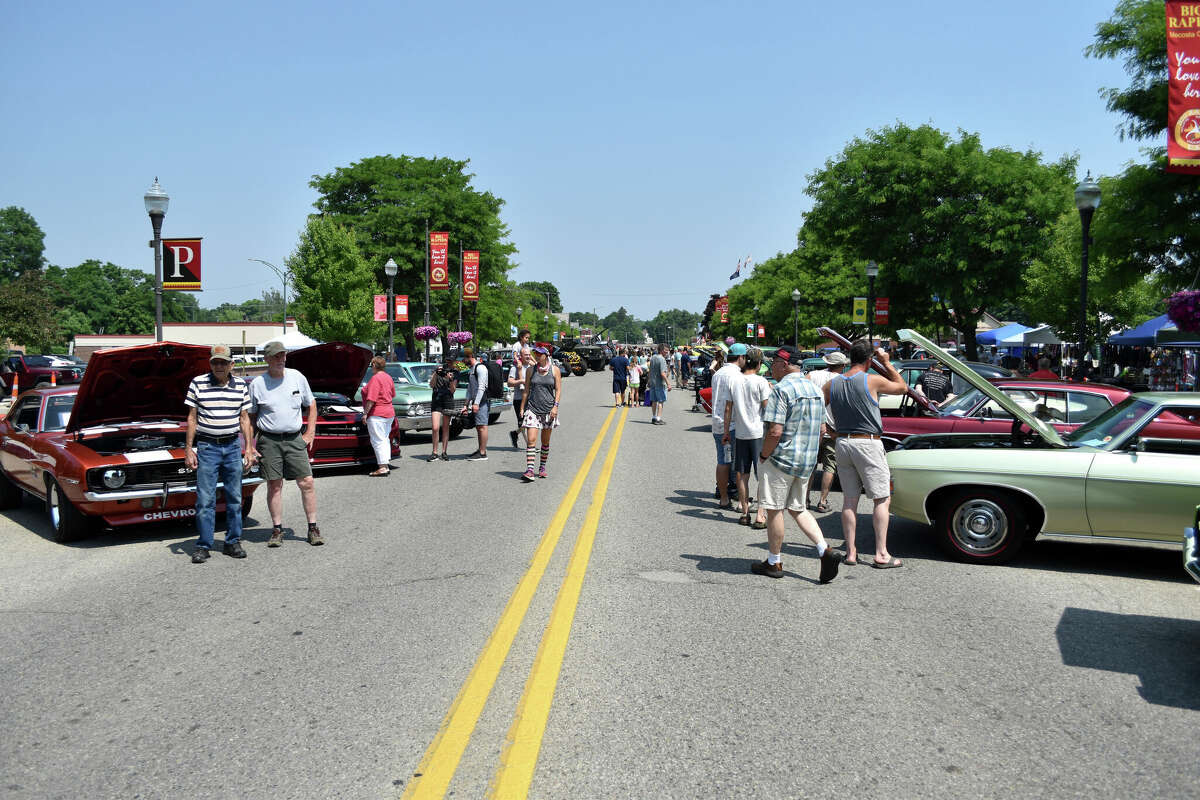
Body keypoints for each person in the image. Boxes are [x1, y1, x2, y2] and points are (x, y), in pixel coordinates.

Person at [752, 344, 843, 582]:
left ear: (783, 364)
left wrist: (763, 455)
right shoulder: (814, 390)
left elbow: (775, 431)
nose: (771, 367)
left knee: (774, 510)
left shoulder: (781, 390)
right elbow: (823, 428)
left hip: (781, 459)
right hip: (806, 461)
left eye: (773, 363)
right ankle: (825, 550)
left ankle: (774, 561)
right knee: (798, 508)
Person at [823, 340, 908, 568]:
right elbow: (902, 387)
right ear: (869, 360)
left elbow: (816, 407)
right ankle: (881, 553)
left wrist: (830, 431)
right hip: (868, 443)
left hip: (843, 442)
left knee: (850, 499)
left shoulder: (833, 384)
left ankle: (851, 552)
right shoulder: (872, 379)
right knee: (881, 498)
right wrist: (887, 363)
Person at [185, 345, 255, 563]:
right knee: (205, 500)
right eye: (215, 362)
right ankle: (204, 544)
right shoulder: (198, 383)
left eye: (223, 362)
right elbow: (192, 418)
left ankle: (232, 541)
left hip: (233, 446)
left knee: (235, 497)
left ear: (231, 364)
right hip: (207, 447)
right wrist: (188, 449)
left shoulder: (241, 385)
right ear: (210, 364)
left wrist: (250, 448)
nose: (219, 366)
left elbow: (244, 418)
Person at [250, 340, 321, 547]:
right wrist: (250, 445)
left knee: (306, 482)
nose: (280, 359)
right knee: (274, 484)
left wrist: (310, 432)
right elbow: (252, 416)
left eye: (283, 355)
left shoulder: (297, 377)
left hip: (293, 438)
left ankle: (313, 527)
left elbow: (312, 404)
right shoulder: (257, 384)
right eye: (275, 356)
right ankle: (277, 529)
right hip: (269, 440)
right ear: (267, 359)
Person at [724, 347, 770, 528]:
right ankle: (760, 514)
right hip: (758, 434)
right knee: (762, 475)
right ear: (759, 363)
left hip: (740, 433)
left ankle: (744, 512)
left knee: (742, 475)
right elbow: (767, 408)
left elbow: (728, 409)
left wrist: (726, 432)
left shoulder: (734, 381)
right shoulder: (761, 382)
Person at [804, 350, 848, 513]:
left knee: (810, 465)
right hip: (833, 429)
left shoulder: (812, 375)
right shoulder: (843, 380)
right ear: (843, 365)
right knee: (830, 467)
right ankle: (822, 501)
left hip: (812, 428)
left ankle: (805, 499)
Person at [519, 345, 562, 481]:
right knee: (531, 440)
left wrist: (555, 407)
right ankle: (530, 470)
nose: (536, 355)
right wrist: (522, 407)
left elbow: (558, 390)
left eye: (539, 353)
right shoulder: (531, 370)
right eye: (535, 353)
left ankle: (542, 467)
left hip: (549, 410)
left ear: (546, 355)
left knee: (545, 441)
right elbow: (526, 390)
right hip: (533, 408)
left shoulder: (554, 370)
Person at [711, 344, 745, 509]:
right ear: (741, 358)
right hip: (730, 424)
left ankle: (724, 496)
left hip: (717, 423)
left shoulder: (718, 373)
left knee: (723, 460)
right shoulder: (737, 375)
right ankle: (739, 499)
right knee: (737, 464)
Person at [362, 356, 396, 476]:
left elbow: (371, 399)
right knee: (384, 439)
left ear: (375, 365)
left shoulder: (375, 378)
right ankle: (385, 465)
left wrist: (365, 414)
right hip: (389, 412)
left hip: (377, 413)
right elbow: (393, 394)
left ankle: (382, 467)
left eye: (371, 365)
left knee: (377, 440)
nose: (371, 367)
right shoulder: (388, 377)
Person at [463, 348, 490, 461]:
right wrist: (466, 404)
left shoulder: (481, 368)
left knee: (482, 426)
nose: (462, 362)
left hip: (482, 401)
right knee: (479, 426)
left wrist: (477, 403)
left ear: (469, 356)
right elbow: (470, 388)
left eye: (463, 359)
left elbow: (481, 387)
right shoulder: (472, 369)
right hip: (476, 401)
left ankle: (483, 453)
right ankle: (480, 449)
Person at [428, 358, 457, 461]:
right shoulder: (437, 371)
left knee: (445, 427)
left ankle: (444, 452)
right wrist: (436, 374)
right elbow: (431, 385)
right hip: (436, 399)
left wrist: (450, 380)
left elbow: (453, 390)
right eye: (448, 361)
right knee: (435, 427)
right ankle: (434, 452)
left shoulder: (454, 372)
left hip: (448, 400)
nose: (449, 363)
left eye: (451, 362)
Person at [508, 349, 532, 448]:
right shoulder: (515, 368)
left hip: (531, 398)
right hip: (519, 399)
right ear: (520, 356)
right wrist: (521, 381)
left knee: (531, 422)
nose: (528, 356)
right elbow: (509, 382)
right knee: (523, 422)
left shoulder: (531, 367)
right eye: (526, 354)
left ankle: (515, 433)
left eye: (529, 354)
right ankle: (530, 445)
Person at [648, 344, 672, 424]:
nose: (667, 352)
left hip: (652, 382)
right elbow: (662, 373)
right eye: (666, 350)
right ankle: (658, 418)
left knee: (654, 401)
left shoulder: (653, 357)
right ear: (661, 350)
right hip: (659, 383)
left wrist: (648, 380)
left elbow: (650, 370)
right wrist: (668, 383)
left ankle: (654, 417)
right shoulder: (662, 359)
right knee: (660, 401)